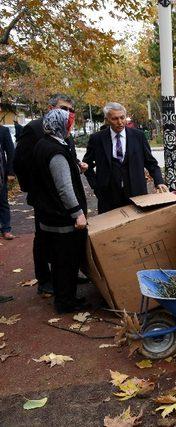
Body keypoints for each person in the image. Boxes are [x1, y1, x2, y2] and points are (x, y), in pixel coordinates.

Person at [13, 94, 84, 295]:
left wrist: (77, 166)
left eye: (70, 110)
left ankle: (66, 275)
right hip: (45, 198)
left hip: (62, 198)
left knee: (65, 240)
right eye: (63, 108)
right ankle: (44, 278)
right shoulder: (35, 128)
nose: (67, 113)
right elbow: (21, 162)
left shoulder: (64, 128)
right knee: (44, 238)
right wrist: (35, 189)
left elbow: (65, 156)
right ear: (50, 107)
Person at [31, 109, 89, 313]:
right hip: (62, 218)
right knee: (66, 261)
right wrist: (78, 213)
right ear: (61, 125)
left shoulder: (43, 144)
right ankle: (66, 302)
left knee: (58, 261)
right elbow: (63, 187)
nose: (71, 128)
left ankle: (63, 298)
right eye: (69, 124)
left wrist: (75, 166)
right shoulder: (55, 151)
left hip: (48, 214)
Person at [83, 102, 168, 213]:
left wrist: (159, 181)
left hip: (137, 194)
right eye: (115, 119)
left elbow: (150, 162)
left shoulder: (138, 136)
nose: (120, 122)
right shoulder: (97, 139)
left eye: (122, 118)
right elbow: (87, 164)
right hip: (108, 196)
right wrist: (96, 186)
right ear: (107, 119)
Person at [1, 124, 15, 240]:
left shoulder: (3, 130)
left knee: (2, 201)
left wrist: (10, 172)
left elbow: (10, 152)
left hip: (0, 174)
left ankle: (6, 229)